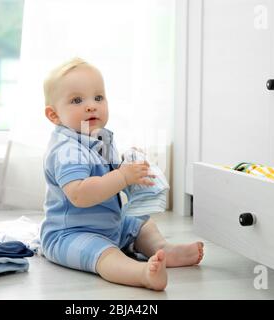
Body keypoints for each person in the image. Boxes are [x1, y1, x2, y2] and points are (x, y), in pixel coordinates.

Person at [40, 57, 204, 291]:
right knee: (105, 256)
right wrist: (123, 177)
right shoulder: (66, 150)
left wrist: (129, 165)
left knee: (141, 224)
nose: (91, 105)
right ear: (54, 115)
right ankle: (141, 274)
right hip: (70, 235)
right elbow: (79, 194)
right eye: (77, 100)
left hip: (111, 224)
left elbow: (111, 172)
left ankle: (163, 249)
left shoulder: (99, 136)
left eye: (98, 97)